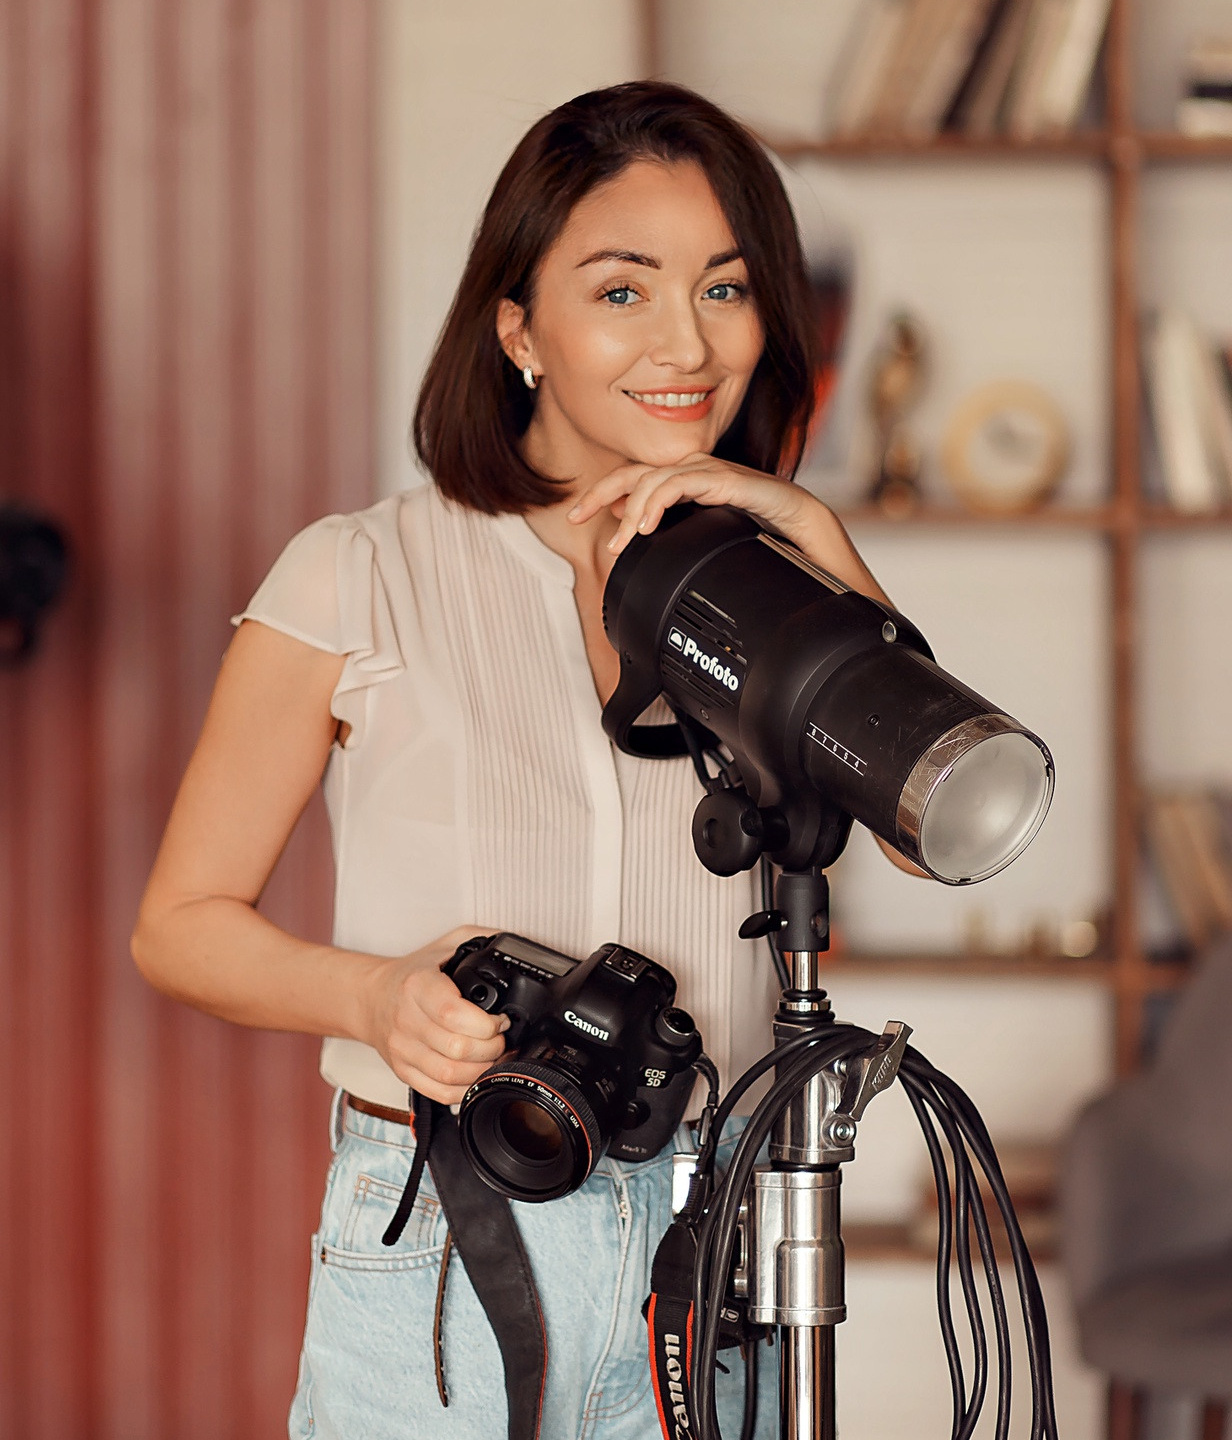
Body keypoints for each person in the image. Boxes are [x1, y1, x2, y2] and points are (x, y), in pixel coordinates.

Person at [132, 80, 900, 1440]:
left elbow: (931, 821)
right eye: (622, 292)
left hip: (715, 1245)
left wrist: (820, 547)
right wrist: (373, 997)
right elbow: (179, 929)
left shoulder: (775, 591)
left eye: (726, 289)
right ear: (518, 328)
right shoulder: (358, 570)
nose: (687, 343)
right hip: (442, 1235)